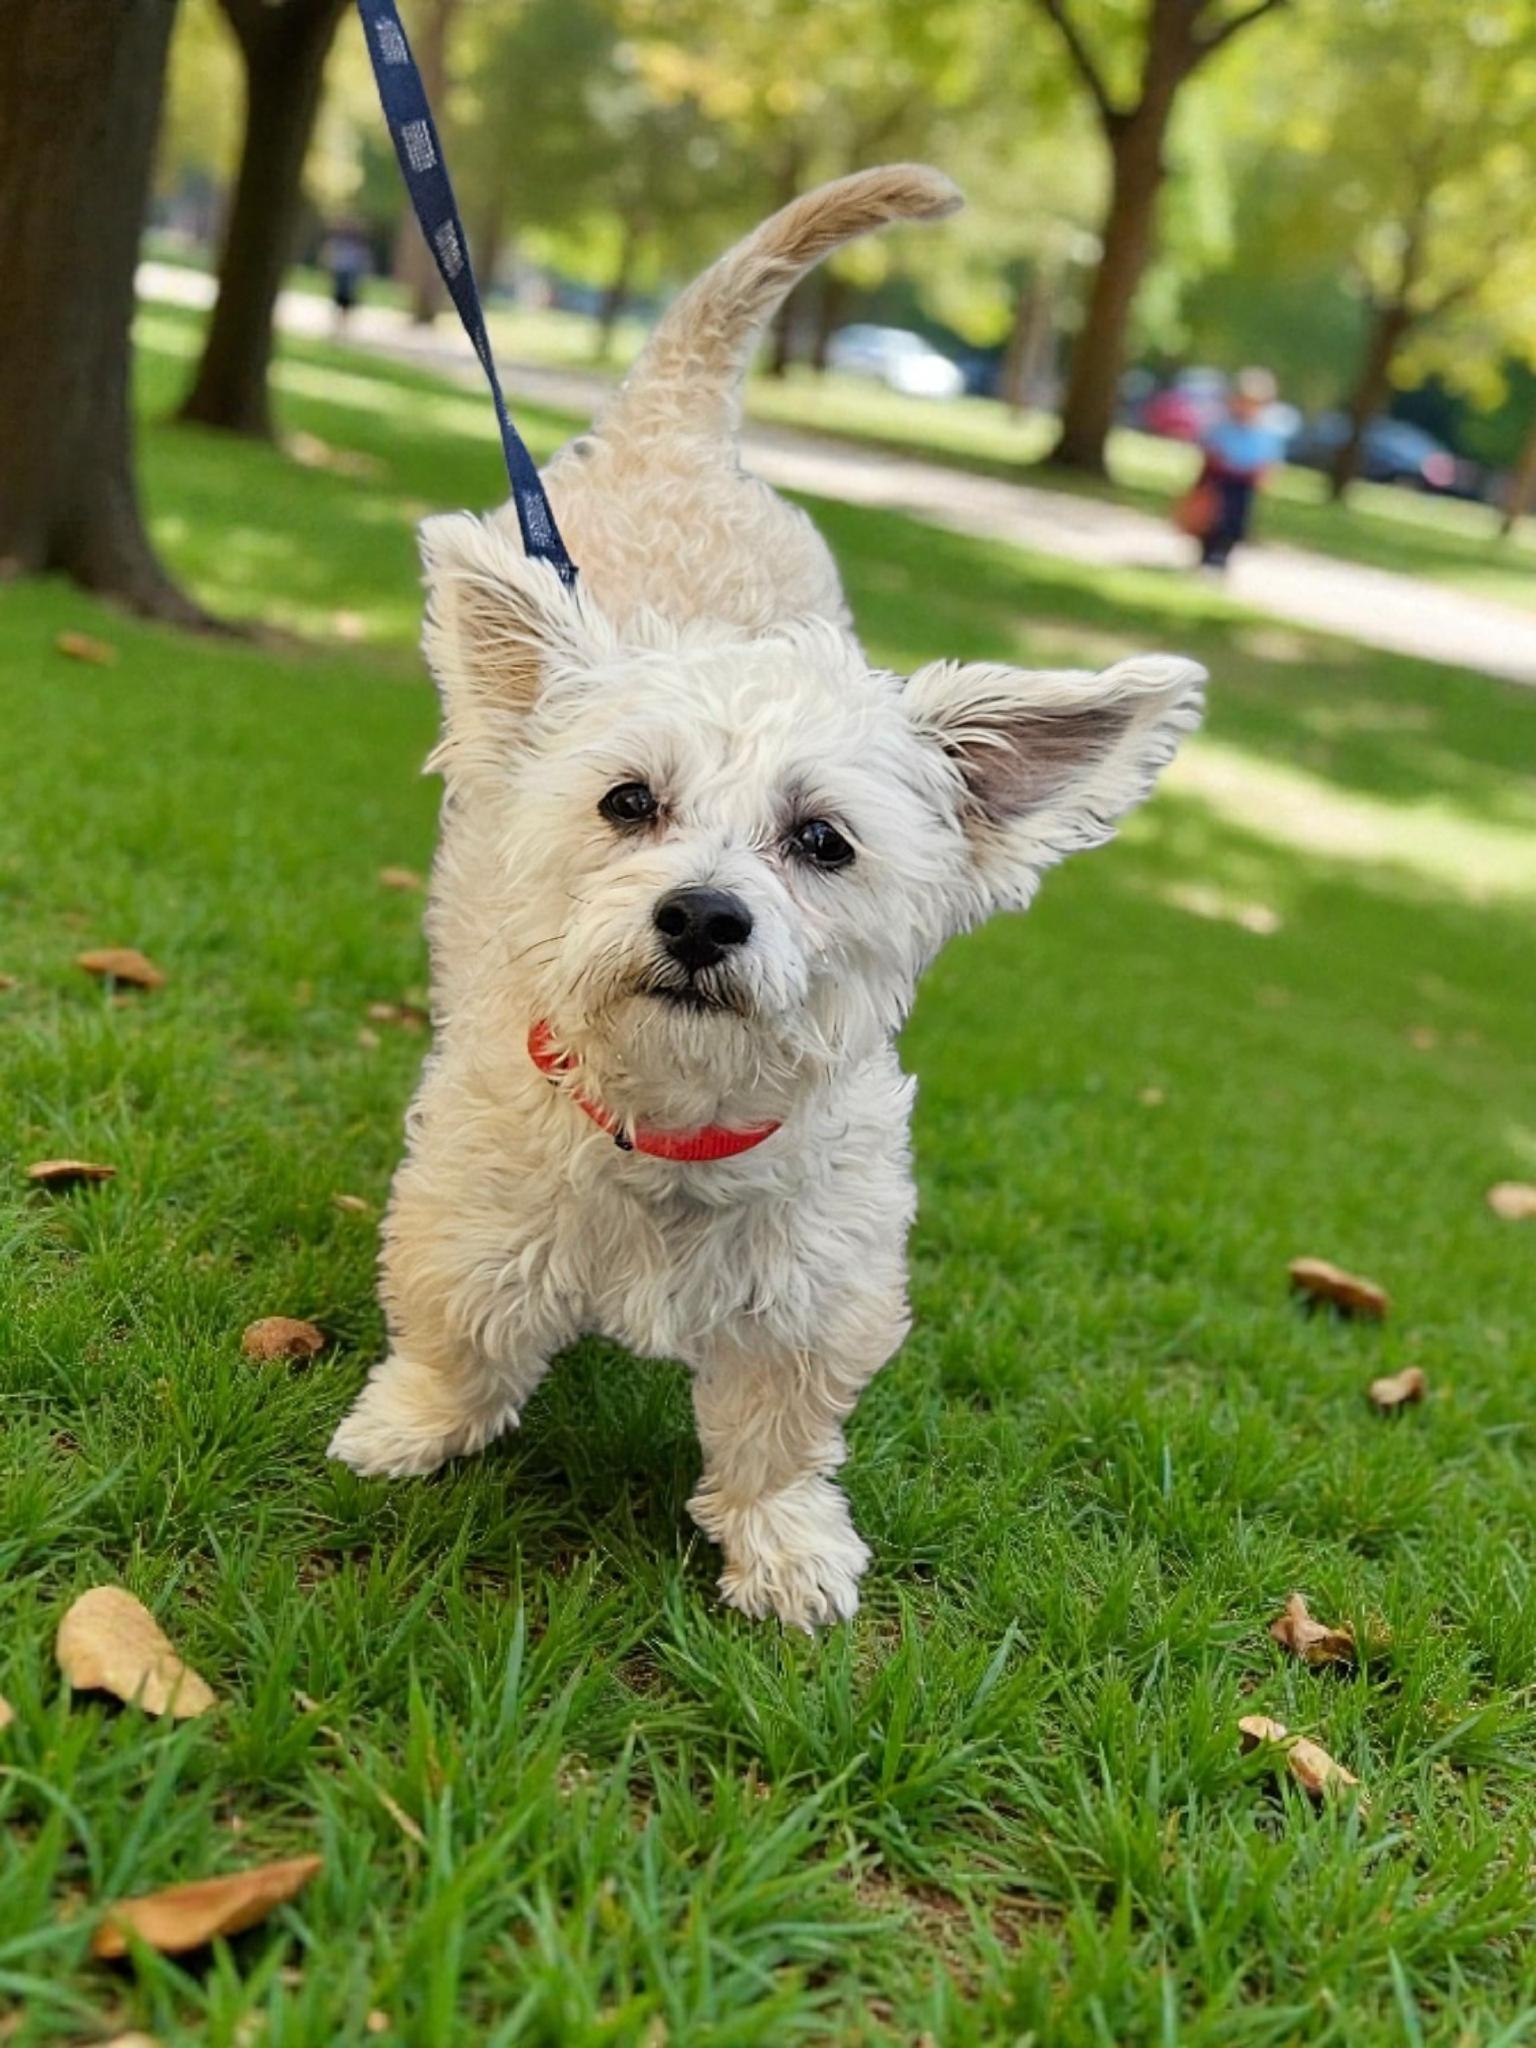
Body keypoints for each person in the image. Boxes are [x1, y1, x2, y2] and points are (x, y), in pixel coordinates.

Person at [1184, 367, 1285, 570]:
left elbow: (1268, 460)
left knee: (1235, 521)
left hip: (1243, 483)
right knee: (1211, 517)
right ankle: (1207, 551)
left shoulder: (1265, 433)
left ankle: (1222, 554)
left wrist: (1264, 477)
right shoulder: (1222, 426)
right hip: (1219, 478)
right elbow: (1208, 447)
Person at [320, 221, 372, 335]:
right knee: (338, 300)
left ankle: (342, 327)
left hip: (349, 275)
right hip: (341, 273)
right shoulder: (339, 242)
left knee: (346, 302)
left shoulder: (358, 245)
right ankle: (337, 327)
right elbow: (328, 254)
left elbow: (363, 262)